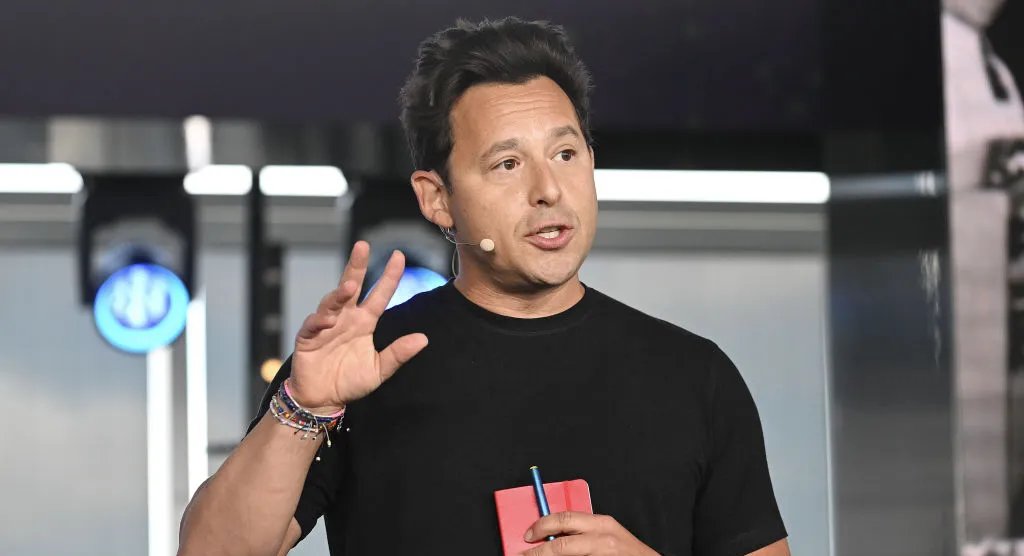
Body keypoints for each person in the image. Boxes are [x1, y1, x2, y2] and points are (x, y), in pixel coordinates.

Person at [178, 17, 790, 556]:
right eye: (507, 164)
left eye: (566, 154)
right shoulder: (361, 366)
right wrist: (306, 407)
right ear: (437, 198)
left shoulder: (694, 376)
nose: (548, 190)